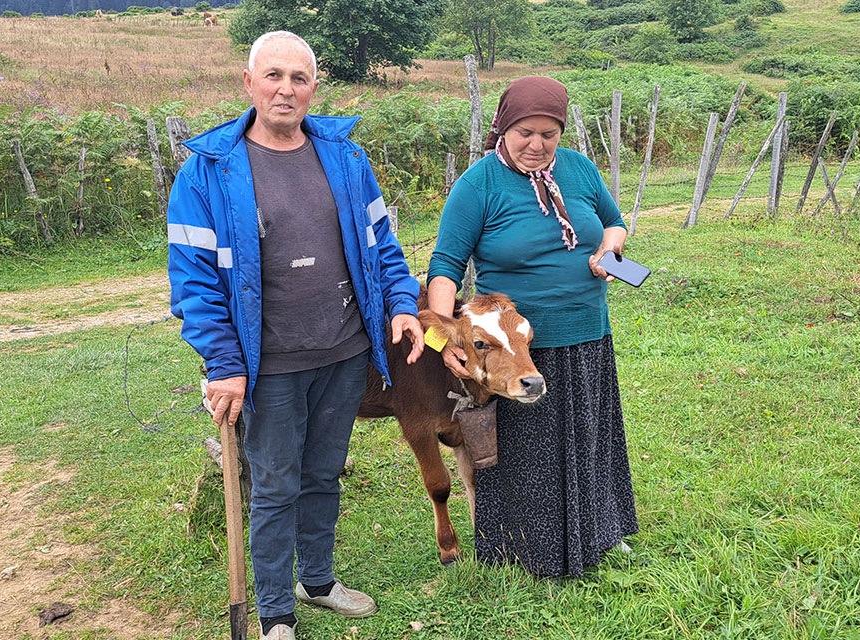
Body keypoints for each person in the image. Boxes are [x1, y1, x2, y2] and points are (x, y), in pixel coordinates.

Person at [166, 31, 425, 640]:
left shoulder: (345, 159)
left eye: (299, 78)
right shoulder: (208, 173)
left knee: (324, 472)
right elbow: (195, 284)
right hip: (269, 363)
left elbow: (382, 246)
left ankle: (318, 581)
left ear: (315, 87)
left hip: (343, 351)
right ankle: (276, 611)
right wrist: (224, 363)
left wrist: (401, 305)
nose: (287, 89)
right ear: (248, 83)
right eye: (274, 76)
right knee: (276, 483)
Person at [426, 76, 638, 578]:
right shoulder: (478, 185)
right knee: (526, 450)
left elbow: (615, 221)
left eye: (549, 133)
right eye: (525, 132)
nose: (537, 145)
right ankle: (524, 547)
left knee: (587, 436)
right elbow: (444, 265)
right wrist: (445, 337)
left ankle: (598, 531)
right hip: (511, 348)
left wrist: (611, 249)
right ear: (503, 127)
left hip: (587, 332)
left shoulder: (580, 169)